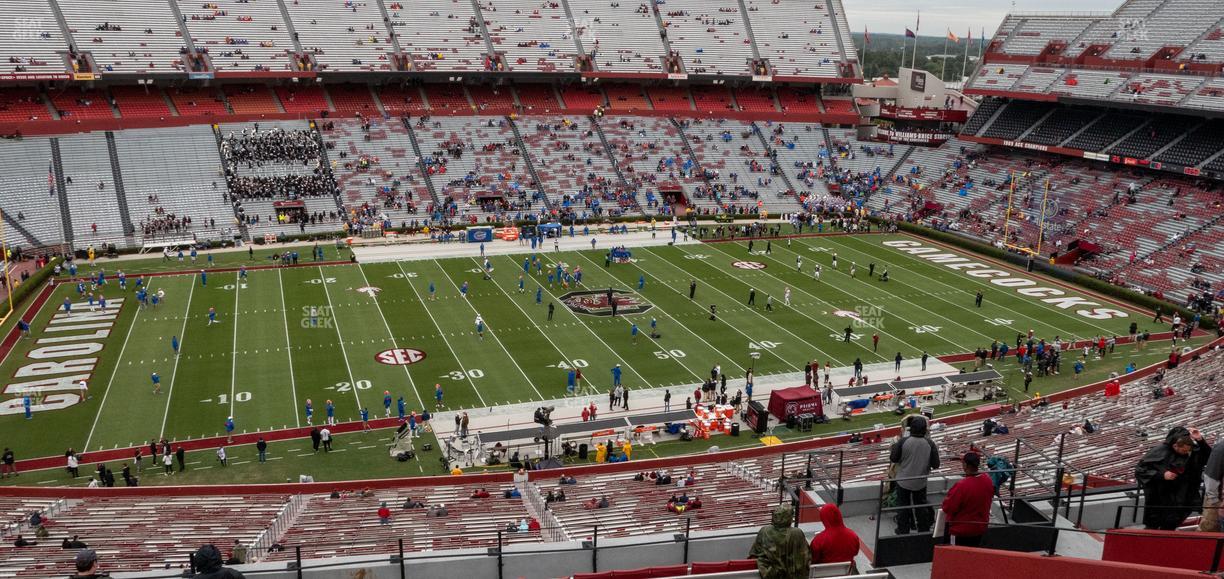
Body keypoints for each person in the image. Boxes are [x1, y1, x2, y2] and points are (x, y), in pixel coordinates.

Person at [1135, 426, 1211, 530]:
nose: (1186, 452)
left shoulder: (1191, 451)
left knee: (1171, 524)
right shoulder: (1160, 451)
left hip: (1183, 495)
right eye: (1184, 450)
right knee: (1153, 525)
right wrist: (1162, 475)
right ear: (1175, 445)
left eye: (1188, 450)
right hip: (1161, 496)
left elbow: (1209, 457)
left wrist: (1200, 440)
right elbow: (1141, 470)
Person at [890, 416, 940, 535]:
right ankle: (923, 529)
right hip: (920, 482)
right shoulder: (930, 443)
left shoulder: (903, 441)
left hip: (903, 481)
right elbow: (936, 464)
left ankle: (903, 530)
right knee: (920, 507)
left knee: (903, 506)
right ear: (924, 429)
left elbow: (893, 458)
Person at [940, 452, 994, 546]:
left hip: (960, 531)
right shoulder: (987, 480)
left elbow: (948, 508)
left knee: (955, 557)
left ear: (965, 465)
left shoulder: (961, 486)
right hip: (979, 528)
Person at [748, 504, 810, 579]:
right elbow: (806, 557)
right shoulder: (797, 533)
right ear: (788, 517)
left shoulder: (764, 531)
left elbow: (753, 555)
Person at [809, 503, 859, 568]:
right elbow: (855, 552)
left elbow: (813, 558)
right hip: (847, 572)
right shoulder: (853, 535)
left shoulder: (819, 540)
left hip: (823, 572)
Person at [1201, 435, 1224, 532]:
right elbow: (1211, 476)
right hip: (1216, 497)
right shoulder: (1221, 447)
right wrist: (1215, 501)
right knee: (1209, 528)